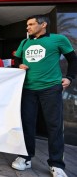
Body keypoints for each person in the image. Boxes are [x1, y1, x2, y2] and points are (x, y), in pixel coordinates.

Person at [11, 15, 77, 177]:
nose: (28, 27)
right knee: (27, 124)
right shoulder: (25, 42)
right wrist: (19, 64)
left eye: (31, 24)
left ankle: (56, 164)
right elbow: (16, 58)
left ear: (43, 24)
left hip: (51, 88)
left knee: (54, 126)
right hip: (28, 89)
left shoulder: (58, 39)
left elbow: (73, 59)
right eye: (27, 25)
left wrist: (69, 78)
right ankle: (25, 158)